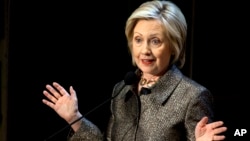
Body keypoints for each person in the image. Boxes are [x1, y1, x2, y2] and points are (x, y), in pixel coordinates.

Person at [42, 0, 227, 141]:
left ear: (173, 45)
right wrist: (75, 118)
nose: (144, 50)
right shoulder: (121, 89)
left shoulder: (193, 96)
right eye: (138, 39)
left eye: (155, 41)